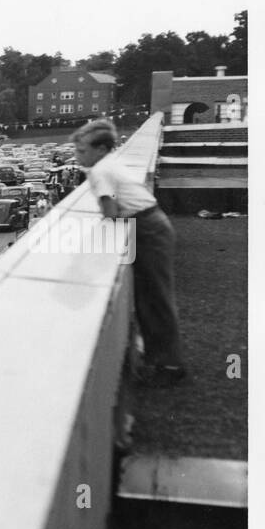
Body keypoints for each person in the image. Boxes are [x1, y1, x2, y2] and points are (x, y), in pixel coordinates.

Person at [73, 118, 185, 384]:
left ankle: (170, 366)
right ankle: (158, 360)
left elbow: (110, 212)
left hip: (147, 229)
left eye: (83, 150)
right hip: (150, 223)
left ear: (101, 150)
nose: (78, 156)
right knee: (148, 298)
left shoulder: (100, 171)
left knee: (156, 298)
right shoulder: (109, 163)